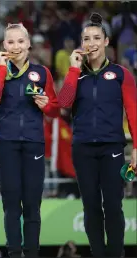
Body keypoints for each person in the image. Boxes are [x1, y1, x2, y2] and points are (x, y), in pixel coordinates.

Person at [58, 13, 137, 258]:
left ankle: (116, 254)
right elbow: (64, 102)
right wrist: (72, 69)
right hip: (82, 148)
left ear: (106, 41)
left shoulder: (121, 74)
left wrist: (136, 148)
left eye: (96, 38)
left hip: (112, 147)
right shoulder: (76, 74)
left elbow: (134, 112)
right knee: (91, 207)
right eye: (86, 39)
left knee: (113, 206)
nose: (91, 43)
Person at [0, 23, 59, 258]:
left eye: (20, 41)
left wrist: (47, 105)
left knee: (32, 203)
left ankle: (32, 252)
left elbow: (55, 110)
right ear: (4, 45)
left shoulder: (42, 72)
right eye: (10, 42)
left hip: (34, 142)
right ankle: (14, 252)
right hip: (7, 143)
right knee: (11, 203)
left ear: (28, 44)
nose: (15, 46)